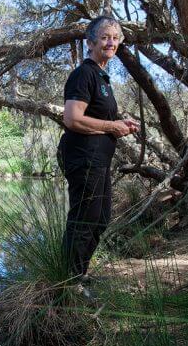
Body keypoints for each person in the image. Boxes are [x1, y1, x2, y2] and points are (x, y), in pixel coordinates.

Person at [57, 16, 139, 287]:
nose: (111, 42)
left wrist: (120, 124)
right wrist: (111, 125)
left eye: (115, 38)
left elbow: (102, 121)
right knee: (83, 220)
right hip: (84, 158)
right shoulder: (85, 73)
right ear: (91, 42)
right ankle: (69, 283)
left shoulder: (103, 77)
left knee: (100, 219)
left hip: (100, 161)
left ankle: (80, 274)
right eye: (105, 37)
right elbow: (73, 119)